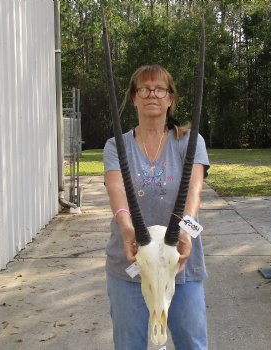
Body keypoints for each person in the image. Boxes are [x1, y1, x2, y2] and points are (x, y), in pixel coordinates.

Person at [103, 64, 210, 350]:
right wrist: (128, 229)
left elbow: (194, 193)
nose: (152, 94)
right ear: (134, 97)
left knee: (193, 344)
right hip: (131, 262)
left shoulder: (190, 141)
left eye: (160, 89)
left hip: (181, 264)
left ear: (171, 98)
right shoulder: (116, 146)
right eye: (144, 88)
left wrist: (186, 231)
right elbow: (117, 192)